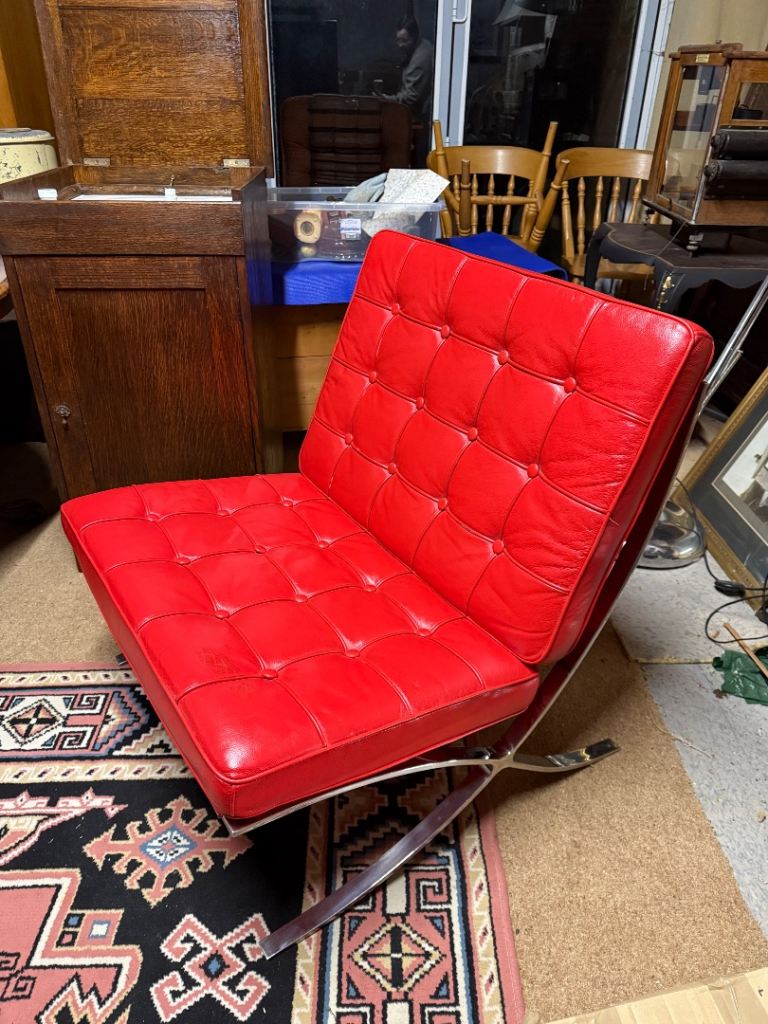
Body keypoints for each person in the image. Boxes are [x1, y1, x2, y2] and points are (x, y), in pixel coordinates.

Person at [374, 16, 434, 163]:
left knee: (418, 161)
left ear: (415, 37)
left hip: (423, 119)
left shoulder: (421, 59)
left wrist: (386, 99)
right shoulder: (420, 47)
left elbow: (410, 97)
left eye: (404, 41)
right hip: (419, 116)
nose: (400, 45)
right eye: (398, 40)